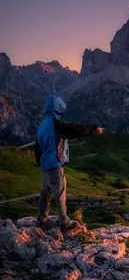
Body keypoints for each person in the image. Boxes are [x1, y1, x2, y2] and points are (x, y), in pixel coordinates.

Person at [35, 95, 102, 231]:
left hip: (45, 165)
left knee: (45, 193)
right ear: (57, 107)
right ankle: (65, 222)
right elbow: (75, 129)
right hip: (55, 165)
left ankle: (41, 218)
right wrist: (93, 129)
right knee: (60, 193)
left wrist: (40, 162)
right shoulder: (56, 123)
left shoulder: (42, 125)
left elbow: (37, 147)